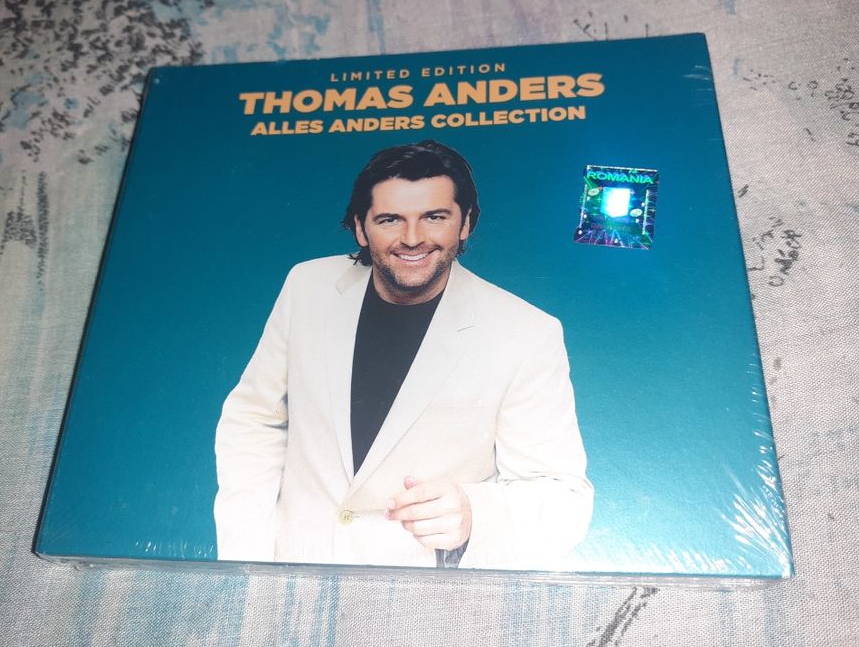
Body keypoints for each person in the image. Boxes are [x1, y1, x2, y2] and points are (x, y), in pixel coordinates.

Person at [214, 140, 592, 569]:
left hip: (421, 597)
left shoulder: (526, 334)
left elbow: (563, 496)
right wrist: (245, 561)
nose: (413, 239)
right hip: (289, 582)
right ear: (361, 228)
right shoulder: (307, 286)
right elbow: (254, 419)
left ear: (466, 223)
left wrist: (474, 515)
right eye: (390, 219)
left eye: (435, 217)